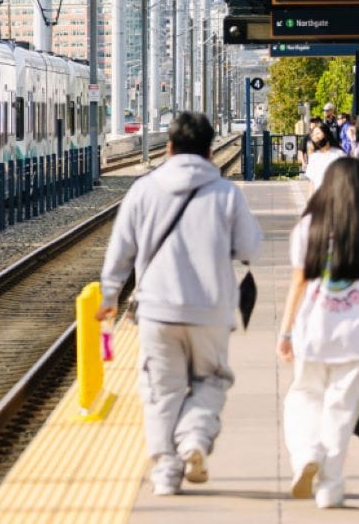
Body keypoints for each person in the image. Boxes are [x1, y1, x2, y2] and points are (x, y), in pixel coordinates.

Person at [95, 111, 263, 496]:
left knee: (160, 390)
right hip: (210, 309)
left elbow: (120, 253)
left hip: (157, 310)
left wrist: (108, 298)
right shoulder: (226, 193)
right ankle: (194, 440)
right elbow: (250, 247)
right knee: (212, 379)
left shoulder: (143, 190)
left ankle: (166, 472)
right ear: (208, 151)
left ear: (169, 147)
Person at [277, 157, 359, 509]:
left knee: (303, 397)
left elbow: (298, 282)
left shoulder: (307, 229)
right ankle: (330, 484)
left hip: (312, 331)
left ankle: (307, 453)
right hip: (357, 335)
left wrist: (285, 332)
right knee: (342, 409)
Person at [304, 122, 345, 193]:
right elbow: (312, 182)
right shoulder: (314, 157)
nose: (316, 137)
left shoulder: (339, 155)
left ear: (326, 134)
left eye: (318, 133)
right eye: (313, 135)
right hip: (320, 198)